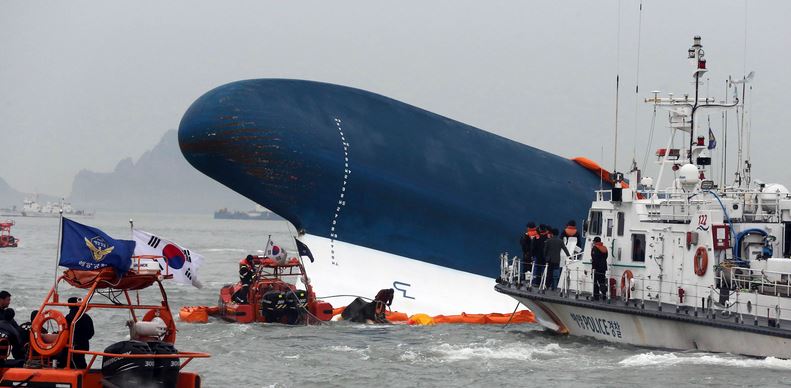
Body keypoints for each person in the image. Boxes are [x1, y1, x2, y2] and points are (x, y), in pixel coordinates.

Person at [65, 297, 94, 369]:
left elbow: (65, 332)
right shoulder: (87, 317)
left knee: (72, 361)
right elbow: (91, 332)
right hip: (84, 344)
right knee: (81, 361)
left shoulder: (68, 317)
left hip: (72, 345)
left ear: (68, 305)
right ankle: (84, 373)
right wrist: (84, 339)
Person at [591, 237, 609, 301]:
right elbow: (606, 257)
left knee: (595, 282)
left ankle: (596, 296)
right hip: (603, 267)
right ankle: (604, 295)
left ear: (595, 242)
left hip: (597, 268)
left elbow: (594, 259)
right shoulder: (605, 248)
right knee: (602, 281)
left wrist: (593, 268)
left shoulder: (594, 248)